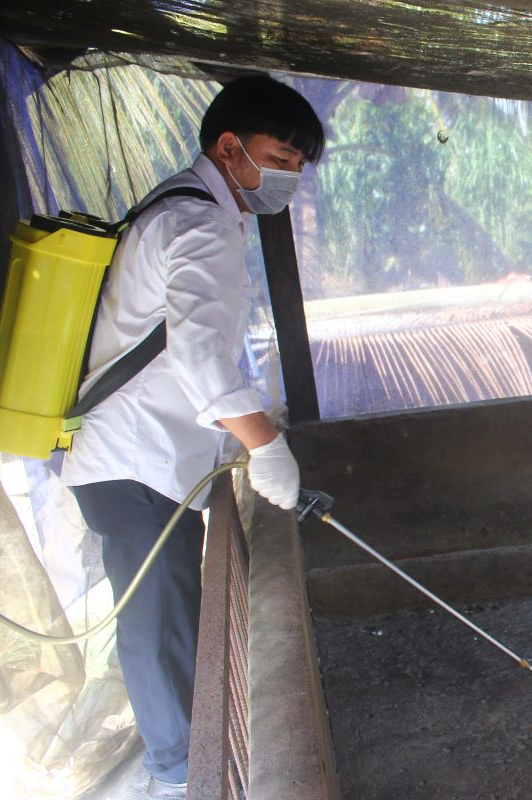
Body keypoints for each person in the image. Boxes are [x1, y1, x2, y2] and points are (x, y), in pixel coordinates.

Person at [60, 75, 325, 798]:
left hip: (137, 459)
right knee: (161, 627)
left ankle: (181, 766)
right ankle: (183, 777)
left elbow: (195, 351)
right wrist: (265, 443)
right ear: (230, 146)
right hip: (134, 461)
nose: (290, 175)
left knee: (166, 618)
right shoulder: (202, 222)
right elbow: (201, 357)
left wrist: (243, 440)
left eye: (301, 165)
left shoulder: (187, 206)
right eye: (282, 155)